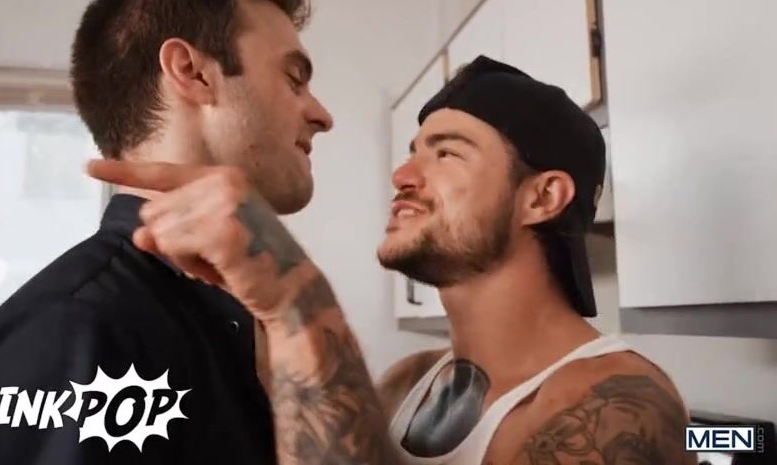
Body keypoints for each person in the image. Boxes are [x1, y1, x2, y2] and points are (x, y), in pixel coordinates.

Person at [86, 56, 697, 464]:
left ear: (542, 197)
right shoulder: (410, 382)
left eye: (447, 153)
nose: (402, 175)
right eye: (413, 151)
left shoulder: (619, 403)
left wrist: (300, 300)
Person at [0, 0, 331, 463]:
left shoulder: (250, 313)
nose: (321, 115)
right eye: (294, 79)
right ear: (192, 72)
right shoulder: (80, 329)